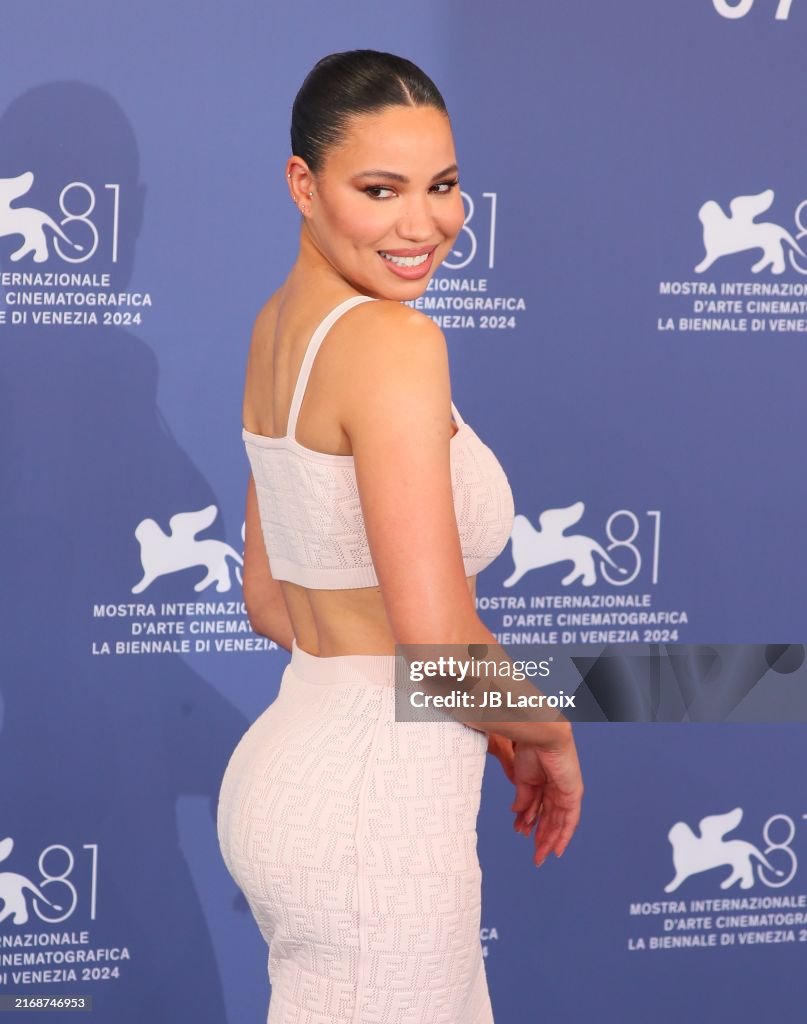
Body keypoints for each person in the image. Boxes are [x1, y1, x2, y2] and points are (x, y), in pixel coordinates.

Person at [216, 48, 584, 1024]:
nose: (424, 224)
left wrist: (478, 708)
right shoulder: (392, 341)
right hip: (374, 816)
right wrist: (545, 729)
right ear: (304, 184)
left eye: (443, 186)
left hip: (297, 768)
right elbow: (436, 643)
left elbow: (270, 601)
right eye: (380, 190)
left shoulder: (277, 327)